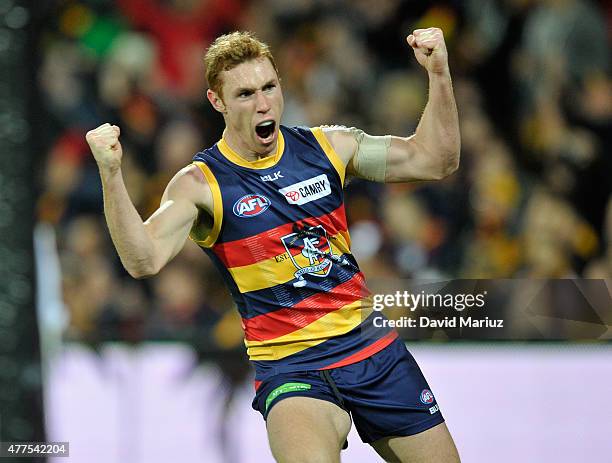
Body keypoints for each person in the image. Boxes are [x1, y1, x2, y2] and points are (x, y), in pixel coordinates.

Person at [86, 27, 461, 463]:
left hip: (375, 351)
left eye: (269, 87)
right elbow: (143, 259)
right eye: (245, 94)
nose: (263, 103)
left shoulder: (328, 147)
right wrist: (111, 174)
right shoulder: (200, 184)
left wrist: (438, 72)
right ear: (217, 102)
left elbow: (436, 160)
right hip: (293, 369)